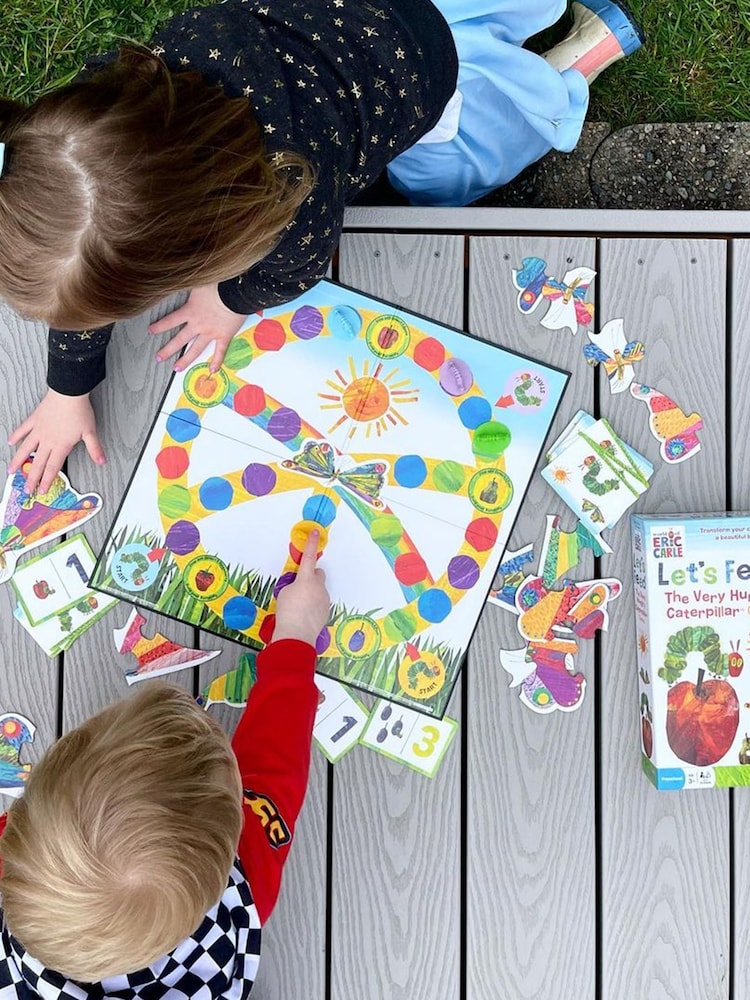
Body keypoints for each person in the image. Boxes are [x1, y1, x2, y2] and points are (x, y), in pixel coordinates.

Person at [0, 0, 643, 494]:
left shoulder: (292, 188)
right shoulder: (112, 108)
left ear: (216, 241)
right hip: (346, 18)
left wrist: (230, 300)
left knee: (454, 176)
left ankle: (558, 76)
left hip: (422, 79)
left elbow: (293, 270)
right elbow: (81, 240)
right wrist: (67, 386)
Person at [0, 529, 330, 994]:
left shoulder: (17, 858)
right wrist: (296, 635)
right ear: (236, 822)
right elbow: (277, 766)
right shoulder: (246, 880)